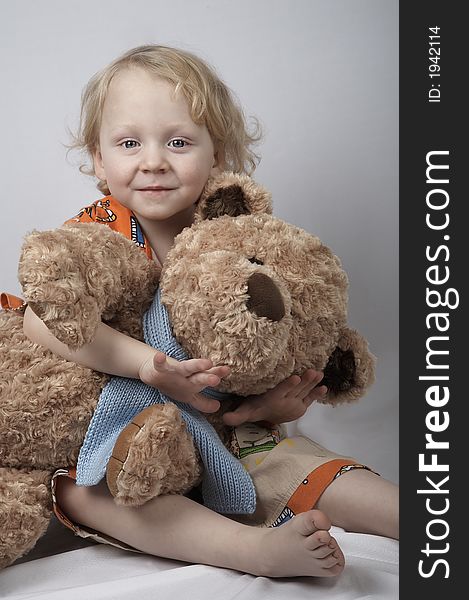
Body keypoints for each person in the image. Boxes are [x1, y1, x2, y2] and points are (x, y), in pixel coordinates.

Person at [22, 44, 398, 578]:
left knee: (296, 461)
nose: (153, 160)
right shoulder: (99, 231)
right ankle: (251, 551)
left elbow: (259, 342)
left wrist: (266, 405)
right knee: (88, 489)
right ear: (100, 158)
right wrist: (148, 365)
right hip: (124, 427)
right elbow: (44, 319)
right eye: (129, 143)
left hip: (221, 430)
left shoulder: (233, 229)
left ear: (216, 155)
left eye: (178, 142)